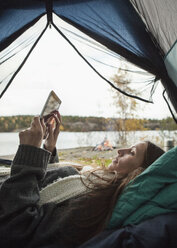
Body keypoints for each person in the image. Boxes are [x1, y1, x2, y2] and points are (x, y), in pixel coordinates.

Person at [0, 113, 165, 248]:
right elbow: (52, 186)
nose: (121, 150)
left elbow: (17, 229)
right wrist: (49, 149)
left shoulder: (94, 204)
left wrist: (29, 153)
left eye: (132, 152)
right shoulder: (97, 177)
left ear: (138, 173)